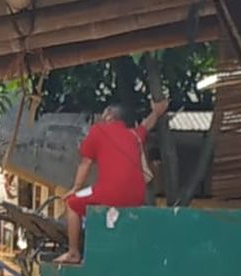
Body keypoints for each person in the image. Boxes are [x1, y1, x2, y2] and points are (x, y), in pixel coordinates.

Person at [55, 98, 170, 265]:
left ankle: (73, 253)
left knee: (72, 204)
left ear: (109, 115)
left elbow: (86, 163)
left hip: (110, 193)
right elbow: (146, 125)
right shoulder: (133, 135)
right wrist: (157, 112)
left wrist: (75, 188)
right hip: (137, 196)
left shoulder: (98, 131)